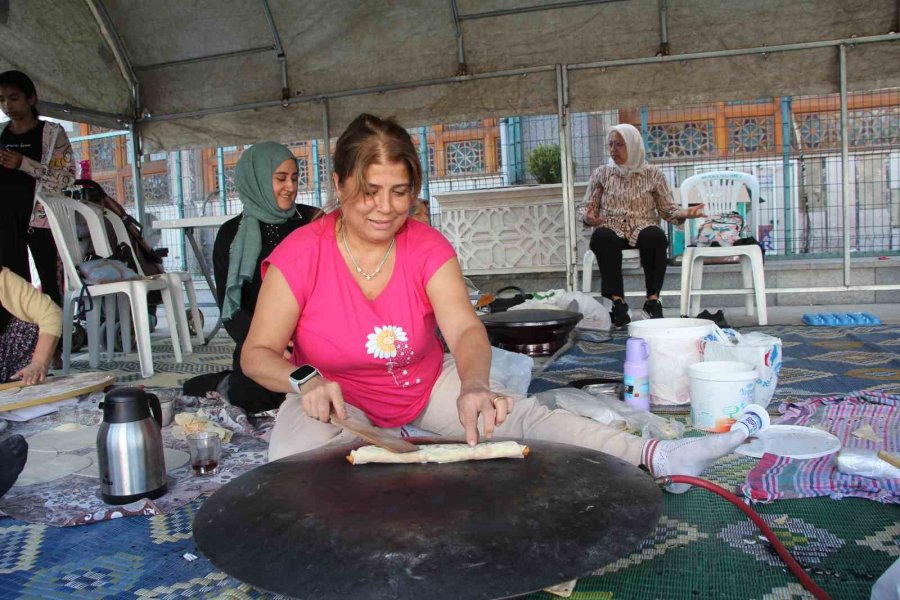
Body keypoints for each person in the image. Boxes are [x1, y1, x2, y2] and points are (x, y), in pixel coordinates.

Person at [241, 113, 752, 494]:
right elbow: (257, 352)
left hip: (421, 385)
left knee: (515, 418)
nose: (385, 208)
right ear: (338, 184)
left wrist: (474, 385)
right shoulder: (302, 254)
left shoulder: (426, 246)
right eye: (369, 191)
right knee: (293, 465)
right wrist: (304, 381)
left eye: (400, 192)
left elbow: (465, 330)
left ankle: (659, 456)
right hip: (336, 401)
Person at [211, 142, 319, 413]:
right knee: (251, 395)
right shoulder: (231, 234)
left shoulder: (313, 221)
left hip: (314, 338)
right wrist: (268, 347)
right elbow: (231, 309)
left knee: (331, 389)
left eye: (295, 178)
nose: (290, 186)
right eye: (281, 178)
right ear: (255, 179)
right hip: (261, 342)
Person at [580, 123, 705, 328]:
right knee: (602, 238)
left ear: (633, 145)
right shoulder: (602, 174)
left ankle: (652, 301)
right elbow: (587, 205)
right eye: (610, 144)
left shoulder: (653, 174)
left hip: (642, 225)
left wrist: (684, 213)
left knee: (656, 237)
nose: (613, 150)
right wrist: (588, 217)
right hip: (612, 226)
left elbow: (667, 209)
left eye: (619, 144)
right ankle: (618, 303)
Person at [0, 70, 76, 307]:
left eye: (13, 98)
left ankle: (56, 329)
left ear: (31, 98)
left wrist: (23, 163)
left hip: (44, 220)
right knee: (13, 287)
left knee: (51, 284)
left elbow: (66, 177)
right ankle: (21, 331)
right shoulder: (1, 133)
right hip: (6, 221)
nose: (7, 105)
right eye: (1, 100)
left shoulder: (52, 133)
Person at [0, 256, 62, 385]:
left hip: (6, 363)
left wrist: (39, 362)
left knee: (26, 324)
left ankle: (23, 378)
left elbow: (50, 313)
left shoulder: (2, 279)